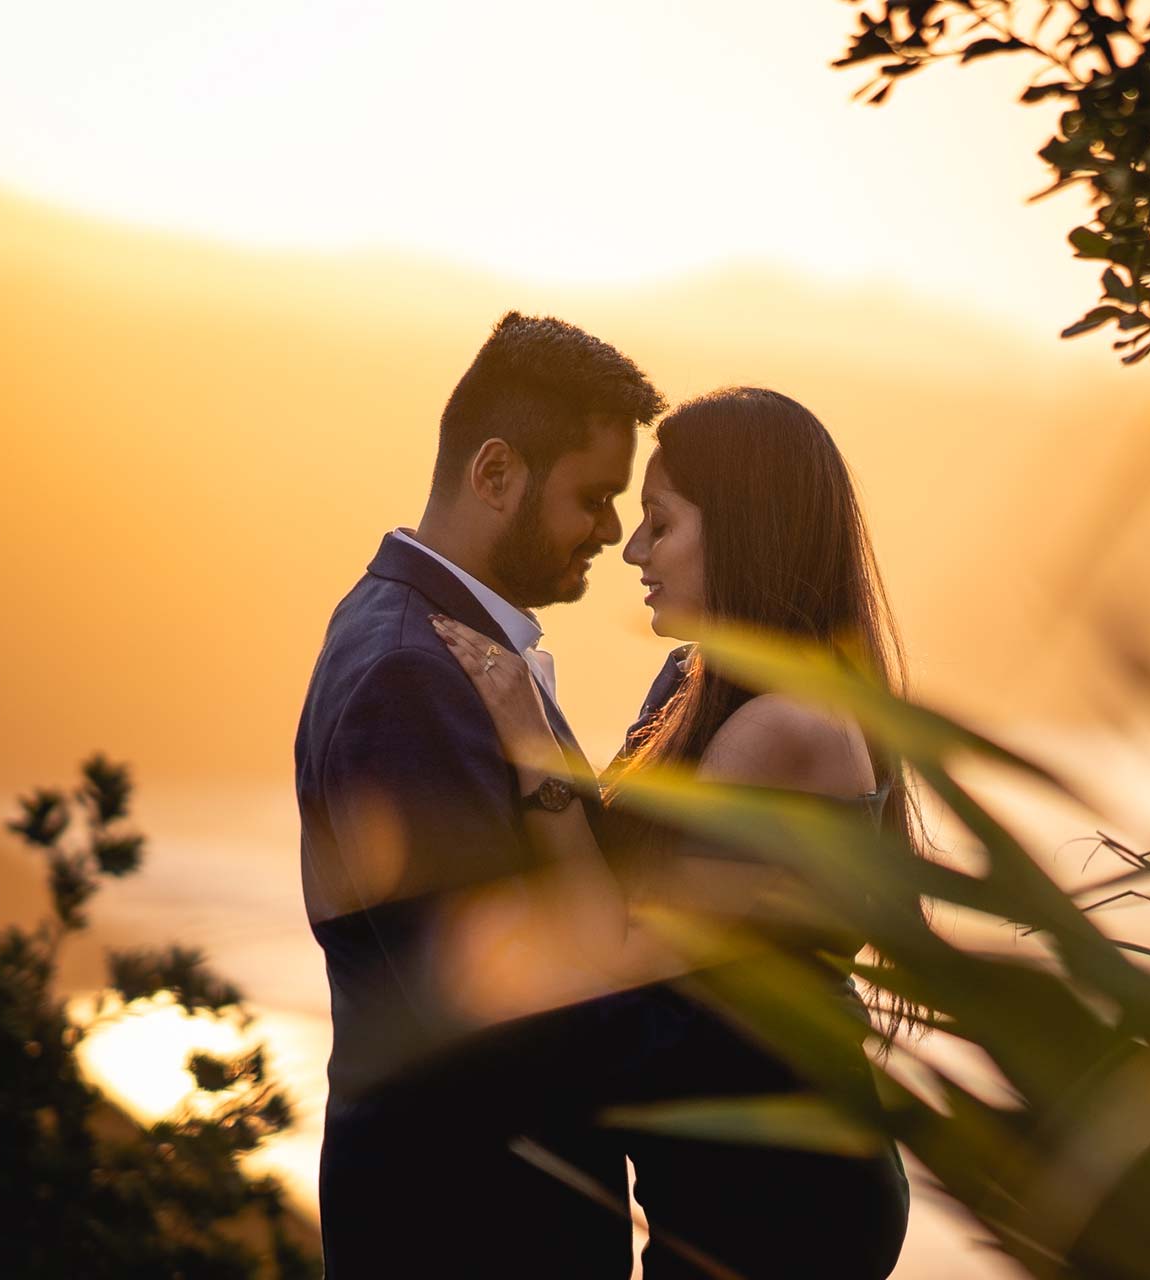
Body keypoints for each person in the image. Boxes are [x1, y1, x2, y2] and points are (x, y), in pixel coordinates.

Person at [430, 386, 914, 1279]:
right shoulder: (695, 682)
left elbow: (609, 949)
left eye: (662, 522)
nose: (636, 551)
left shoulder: (786, 729)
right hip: (716, 1183)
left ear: (743, 530)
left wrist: (533, 747)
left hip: (782, 1203)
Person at [294, 310, 663, 1276]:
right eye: (595, 496)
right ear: (496, 475)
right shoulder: (411, 673)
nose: (614, 530)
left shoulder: (419, 630)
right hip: (471, 1230)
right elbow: (482, 1007)